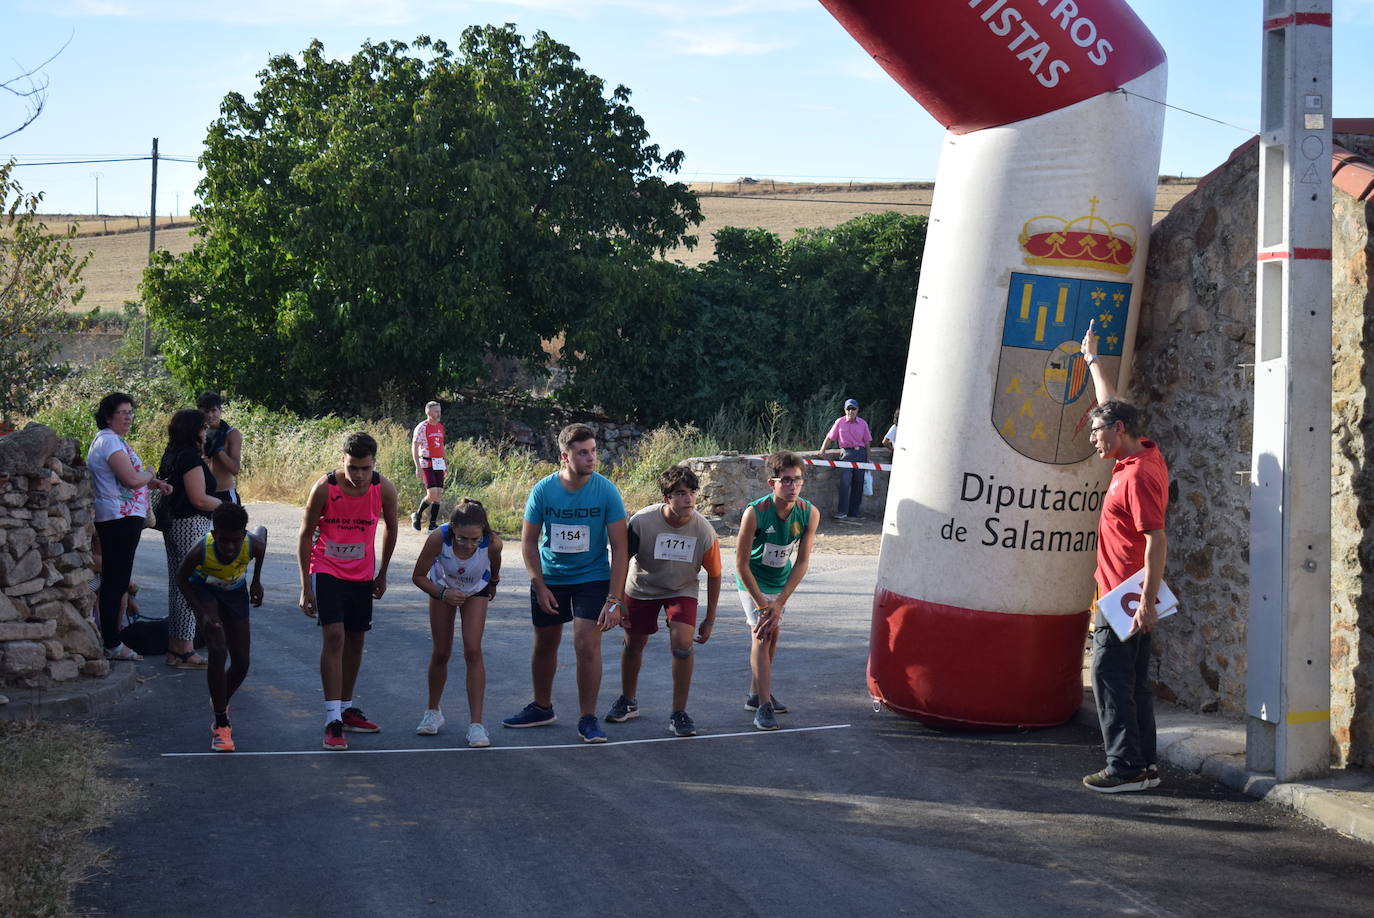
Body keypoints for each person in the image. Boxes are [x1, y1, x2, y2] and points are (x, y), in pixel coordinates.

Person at [1079, 319, 1170, 793]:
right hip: (1126, 596)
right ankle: (1145, 765)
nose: (1091, 439)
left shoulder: (1135, 476)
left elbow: (1156, 538)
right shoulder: (1139, 452)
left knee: (1109, 680)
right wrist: (1092, 359)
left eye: (1097, 433)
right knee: (1133, 684)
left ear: (1118, 431)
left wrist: (1147, 603)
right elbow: (1109, 405)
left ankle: (1125, 770)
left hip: (1124, 599)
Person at [504, 424, 627, 743]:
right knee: (545, 643)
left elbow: (621, 548)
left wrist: (615, 598)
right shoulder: (543, 490)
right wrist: (538, 584)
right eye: (582, 452)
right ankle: (542, 706)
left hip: (592, 577)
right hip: (551, 578)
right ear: (565, 456)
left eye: (593, 451)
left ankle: (588, 718)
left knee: (587, 643)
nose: (591, 457)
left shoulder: (606, 490)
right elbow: (528, 542)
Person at [297, 432, 400, 751]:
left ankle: (346, 707)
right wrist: (305, 586)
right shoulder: (324, 488)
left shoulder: (383, 488)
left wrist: (382, 572)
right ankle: (332, 720)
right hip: (327, 568)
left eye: (365, 469)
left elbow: (392, 527)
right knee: (335, 637)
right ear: (342, 461)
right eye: (353, 467)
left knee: (356, 639)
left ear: (373, 465)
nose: (358, 475)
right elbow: (304, 534)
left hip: (362, 573)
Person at [605, 465, 720, 738]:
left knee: (683, 644)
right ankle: (628, 700)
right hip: (643, 586)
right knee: (634, 643)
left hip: (681, 588)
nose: (688, 499)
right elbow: (621, 560)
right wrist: (615, 600)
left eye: (692, 493)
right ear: (666, 497)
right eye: (680, 493)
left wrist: (710, 619)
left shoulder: (703, 530)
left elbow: (715, 575)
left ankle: (679, 712)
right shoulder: (643, 522)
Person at [735, 451, 820, 730]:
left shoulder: (809, 513)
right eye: (785, 480)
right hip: (752, 581)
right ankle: (763, 705)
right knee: (761, 635)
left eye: (797, 480)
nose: (792, 486)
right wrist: (761, 604)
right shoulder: (755, 513)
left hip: (780, 583)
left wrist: (780, 602)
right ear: (772, 483)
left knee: (774, 636)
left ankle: (755, 693)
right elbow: (741, 564)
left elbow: (803, 561)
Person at [87, 392, 173, 662]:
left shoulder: (114, 441)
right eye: (122, 412)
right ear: (108, 416)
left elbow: (131, 480)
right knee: (115, 581)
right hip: (118, 519)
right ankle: (112, 643)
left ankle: (113, 640)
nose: (128, 417)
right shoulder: (109, 441)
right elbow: (131, 479)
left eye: (130, 412)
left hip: (123, 518)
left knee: (117, 580)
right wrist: (149, 473)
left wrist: (154, 483)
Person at [175, 503, 266, 753]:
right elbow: (181, 578)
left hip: (235, 593)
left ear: (243, 535)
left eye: (235, 541)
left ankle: (220, 699)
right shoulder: (200, 550)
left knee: (242, 663)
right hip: (206, 592)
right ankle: (221, 723)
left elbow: (263, 537)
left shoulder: (252, 544)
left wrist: (256, 582)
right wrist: (201, 612)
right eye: (223, 540)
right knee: (218, 650)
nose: (229, 548)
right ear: (214, 534)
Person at [411, 498, 502, 748]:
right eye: (462, 538)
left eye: (475, 539)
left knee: (473, 649)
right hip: (442, 588)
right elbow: (418, 576)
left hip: (476, 590)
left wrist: (492, 584)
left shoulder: (492, 543)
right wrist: (442, 594)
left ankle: (476, 725)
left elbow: (495, 565)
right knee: (441, 651)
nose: (469, 545)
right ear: (452, 529)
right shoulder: (438, 539)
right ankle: (433, 712)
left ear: (483, 533)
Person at [160, 408, 222, 669]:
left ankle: (176, 647)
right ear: (194, 430)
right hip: (191, 524)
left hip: (172, 523)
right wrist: (226, 507)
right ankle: (186, 649)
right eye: (203, 428)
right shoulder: (189, 458)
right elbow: (199, 498)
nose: (206, 432)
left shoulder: (171, 455)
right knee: (190, 586)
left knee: (177, 586)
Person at [818, 397, 872, 520]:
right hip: (846, 455)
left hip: (860, 454)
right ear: (844, 410)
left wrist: (868, 460)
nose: (851, 411)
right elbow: (830, 437)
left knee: (858, 484)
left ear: (857, 410)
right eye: (848, 408)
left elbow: (867, 443)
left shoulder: (863, 423)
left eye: (853, 408)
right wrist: (822, 450)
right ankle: (842, 512)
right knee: (845, 483)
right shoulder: (839, 422)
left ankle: (854, 513)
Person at [198, 392, 243, 505]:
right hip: (204, 494)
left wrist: (219, 450)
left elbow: (235, 469)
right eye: (206, 411)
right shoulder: (196, 434)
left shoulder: (232, 434)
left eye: (213, 411)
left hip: (225, 493)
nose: (210, 415)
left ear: (220, 410)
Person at [411, 401, 447, 532]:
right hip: (426, 462)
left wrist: (445, 463)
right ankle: (417, 515)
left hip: (438, 462)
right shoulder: (422, 427)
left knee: (438, 494)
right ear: (428, 413)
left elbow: (441, 445)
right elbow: (414, 447)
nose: (439, 414)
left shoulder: (440, 427)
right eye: (436, 411)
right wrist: (417, 466)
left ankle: (432, 524)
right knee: (432, 493)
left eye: (439, 411)